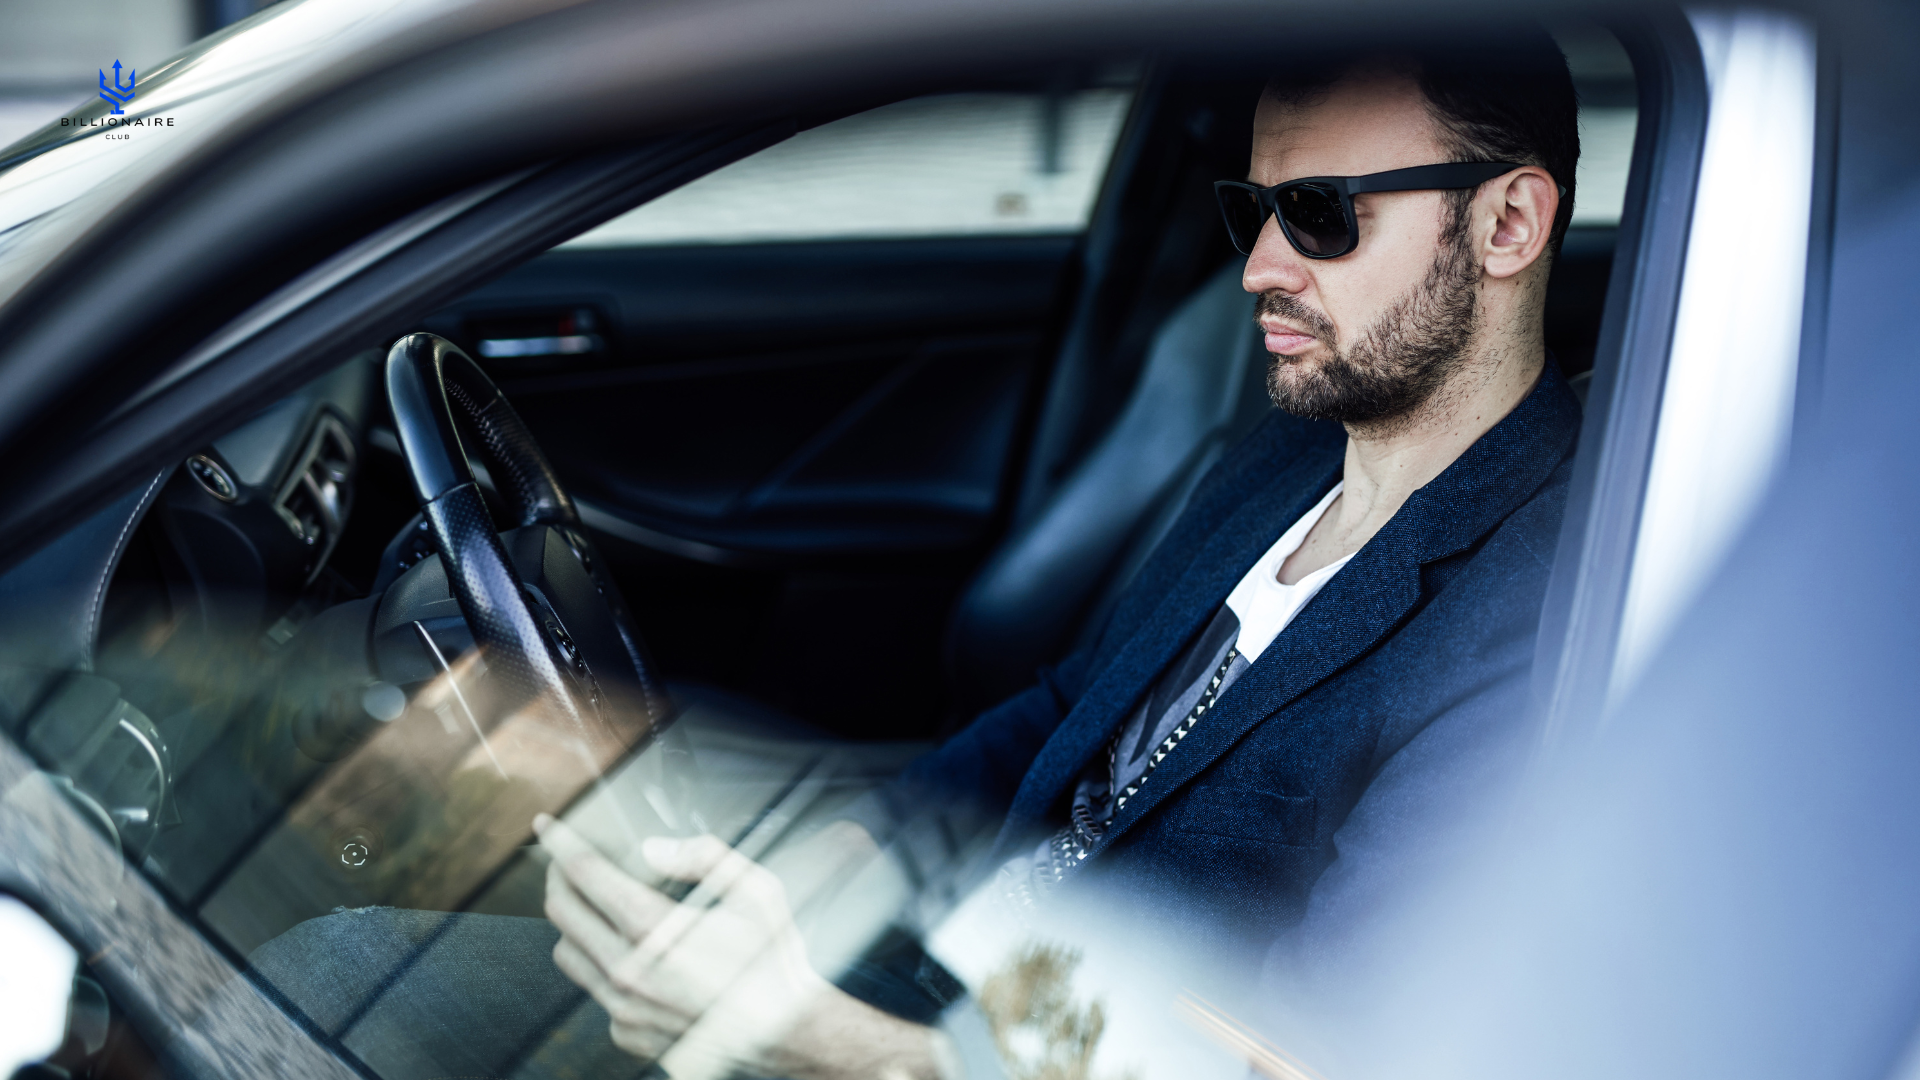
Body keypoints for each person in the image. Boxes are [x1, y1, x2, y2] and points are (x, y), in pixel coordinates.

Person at [525, 31, 1586, 1080]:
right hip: (927, 971)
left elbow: (1295, 1063)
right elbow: (1072, 705)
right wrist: (834, 869)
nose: (1260, 265)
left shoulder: (1538, 624)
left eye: (1319, 213)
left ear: (1506, 223)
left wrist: (816, 1040)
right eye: (1251, 211)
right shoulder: (1294, 455)